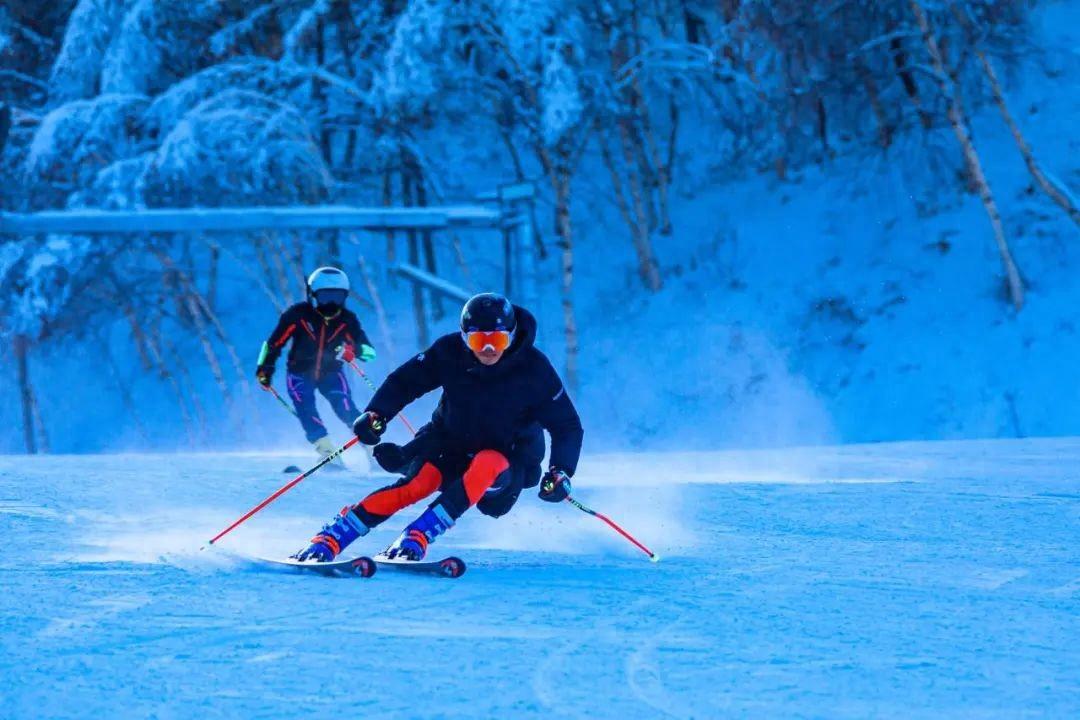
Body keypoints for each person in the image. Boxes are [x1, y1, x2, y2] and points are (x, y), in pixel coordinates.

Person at [293, 292, 582, 562]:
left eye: (499, 340)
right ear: (465, 338)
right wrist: (376, 415)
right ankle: (330, 538)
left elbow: (566, 425)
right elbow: (406, 382)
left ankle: (417, 534)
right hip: (451, 444)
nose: (490, 350)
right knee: (418, 484)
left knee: (488, 462)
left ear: (512, 335)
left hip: (508, 461)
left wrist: (560, 471)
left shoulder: (534, 369)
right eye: (480, 342)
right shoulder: (449, 352)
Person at [255, 267, 375, 462]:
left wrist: (355, 352)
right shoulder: (298, 315)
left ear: (344, 297)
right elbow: (273, 344)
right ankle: (326, 450)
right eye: (325, 297)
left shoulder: (347, 320)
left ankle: (372, 448)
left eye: (337, 297)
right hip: (299, 373)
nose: (331, 304)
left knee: (346, 408)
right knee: (306, 408)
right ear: (312, 295)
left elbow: (370, 353)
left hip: (332, 373)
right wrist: (264, 368)